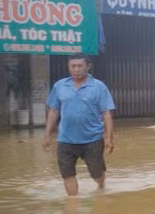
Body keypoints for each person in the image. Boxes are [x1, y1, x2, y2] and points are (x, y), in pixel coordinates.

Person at [42, 54, 116, 196]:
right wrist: (47, 135)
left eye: (80, 66)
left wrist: (109, 137)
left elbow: (106, 113)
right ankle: (73, 202)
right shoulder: (60, 86)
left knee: (96, 172)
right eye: (73, 66)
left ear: (88, 66)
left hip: (92, 139)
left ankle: (101, 186)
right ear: (69, 67)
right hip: (65, 139)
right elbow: (54, 111)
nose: (76, 69)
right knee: (67, 174)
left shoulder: (99, 87)